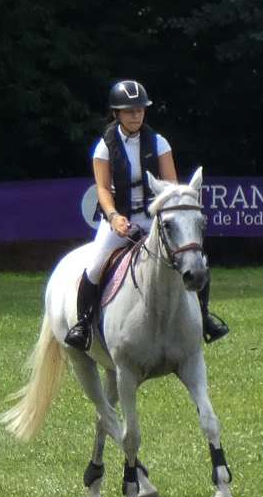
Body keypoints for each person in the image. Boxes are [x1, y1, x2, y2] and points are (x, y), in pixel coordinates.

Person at [64, 79, 229, 353]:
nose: (136, 115)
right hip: (118, 220)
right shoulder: (104, 147)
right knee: (94, 266)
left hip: (154, 218)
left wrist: (168, 216)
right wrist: (114, 216)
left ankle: (204, 317)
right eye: (129, 111)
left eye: (139, 110)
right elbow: (102, 188)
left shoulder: (158, 142)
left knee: (195, 261)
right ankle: (82, 324)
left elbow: (171, 185)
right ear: (116, 113)